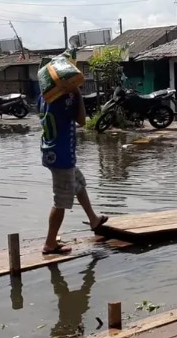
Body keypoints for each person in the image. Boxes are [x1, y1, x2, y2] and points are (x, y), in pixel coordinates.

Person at [39, 88, 108, 254]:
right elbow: (82, 120)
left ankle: (93, 219)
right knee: (61, 200)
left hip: (52, 151)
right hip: (62, 155)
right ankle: (50, 243)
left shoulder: (44, 94)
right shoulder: (65, 96)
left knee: (78, 182)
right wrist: (77, 94)